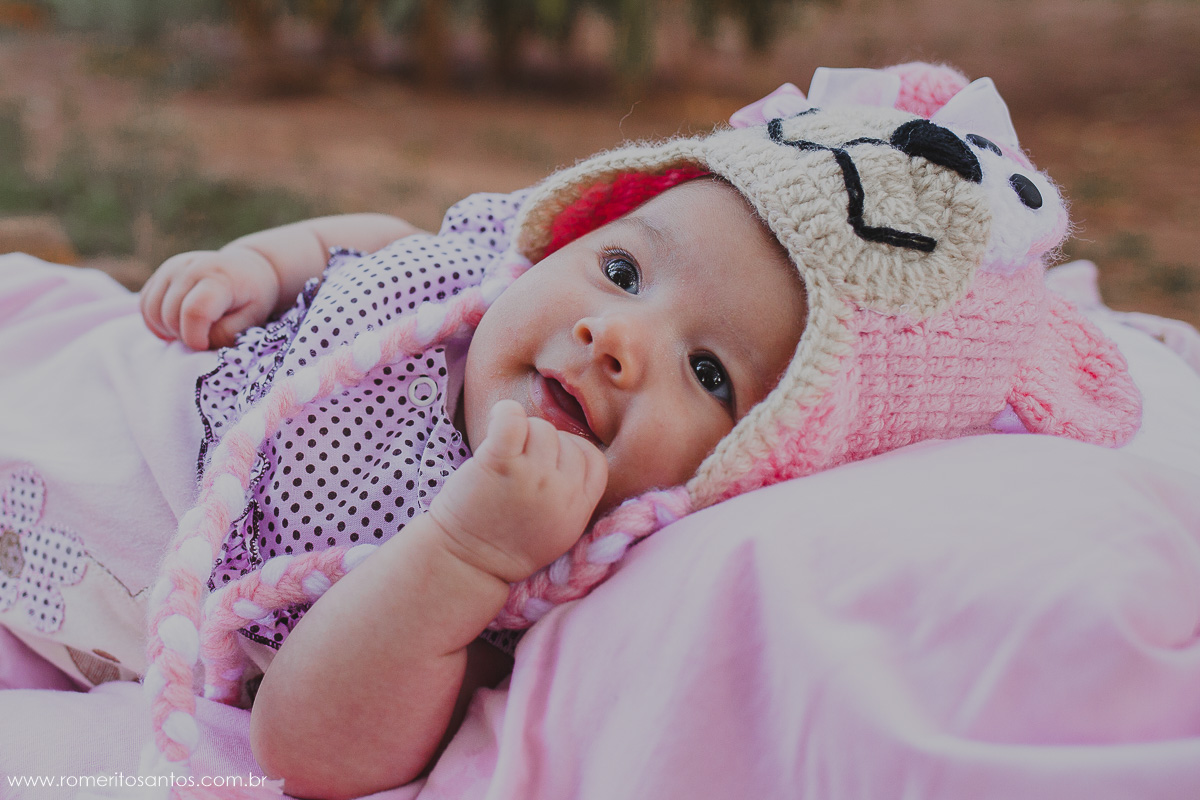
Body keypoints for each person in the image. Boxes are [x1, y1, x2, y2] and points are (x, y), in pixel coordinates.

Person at [0, 63, 1142, 800]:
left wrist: (463, 556)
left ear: (751, 466)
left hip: (65, 584)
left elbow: (312, 744)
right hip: (98, 390)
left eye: (707, 370)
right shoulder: (480, 272)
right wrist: (258, 265)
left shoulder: (531, 555)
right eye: (623, 265)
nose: (615, 338)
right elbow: (375, 240)